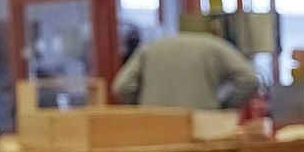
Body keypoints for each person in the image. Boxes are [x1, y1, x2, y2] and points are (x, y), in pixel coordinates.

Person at [111, 27, 260, 111]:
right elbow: (249, 79)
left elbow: (121, 86)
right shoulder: (214, 45)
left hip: (152, 128)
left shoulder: (151, 47)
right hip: (201, 126)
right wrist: (224, 106)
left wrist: (143, 107)